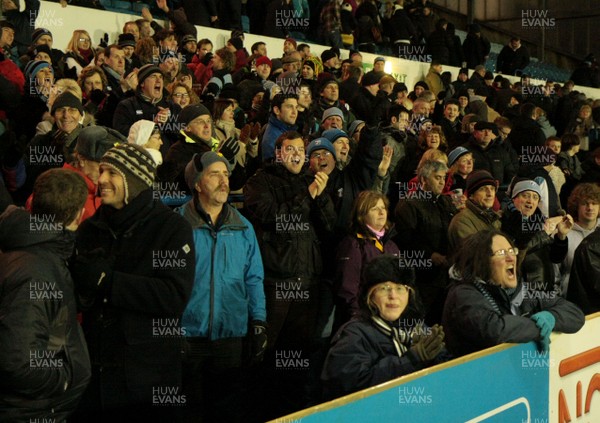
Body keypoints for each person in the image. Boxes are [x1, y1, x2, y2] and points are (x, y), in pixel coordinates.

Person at [71, 143, 195, 420]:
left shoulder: (170, 228)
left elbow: (173, 295)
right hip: (94, 374)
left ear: (135, 180)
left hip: (147, 379)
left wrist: (108, 282)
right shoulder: (91, 228)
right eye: (101, 171)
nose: (101, 179)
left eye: (112, 173)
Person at [244, 131, 336, 419]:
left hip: (308, 281)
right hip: (277, 282)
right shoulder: (260, 181)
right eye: (291, 148)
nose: (297, 154)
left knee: (296, 357)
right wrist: (307, 195)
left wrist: (320, 199)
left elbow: (330, 228)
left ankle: (292, 411)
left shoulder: (311, 184)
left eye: (301, 149)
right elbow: (276, 219)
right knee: (265, 355)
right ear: (278, 153)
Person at [178, 151, 266, 422]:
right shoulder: (177, 224)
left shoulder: (243, 227)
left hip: (230, 335)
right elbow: (164, 282)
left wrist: (259, 321)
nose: (223, 180)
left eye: (226, 174)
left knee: (227, 409)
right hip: (188, 335)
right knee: (189, 411)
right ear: (197, 183)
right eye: (214, 174)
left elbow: (253, 277)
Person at [0, 169, 91, 422]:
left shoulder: (33, 250)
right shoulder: (36, 270)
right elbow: (18, 361)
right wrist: (63, 380)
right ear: (78, 216)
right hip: (29, 411)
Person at [322, 254, 448, 400]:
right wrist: (412, 359)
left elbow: (446, 367)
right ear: (370, 296)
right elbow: (350, 388)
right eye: (384, 288)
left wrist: (433, 358)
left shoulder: (415, 326)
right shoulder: (354, 334)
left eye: (400, 288)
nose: (393, 295)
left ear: (409, 294)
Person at [442, 229, 585, 358]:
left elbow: (576, 315)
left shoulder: (520, 292)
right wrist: (538, 327)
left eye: (512, 251)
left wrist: (552, 317)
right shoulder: (463, 294)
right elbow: (495, 330)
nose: (511, 258)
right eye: (502, 253)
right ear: (481, 261)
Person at [394, 160, 457, 324]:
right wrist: (429, 255)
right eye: (437, 178)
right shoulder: (408, 204)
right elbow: (405, 241)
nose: (442, 182)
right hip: (422, 278)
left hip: (446, 275)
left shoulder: (446, 202)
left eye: (443, 178)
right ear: (423, 180)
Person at [335, 190, 400, 328]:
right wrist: (359, 318)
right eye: (374, 209)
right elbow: (348, 289)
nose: (381, 213)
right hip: (362, 320)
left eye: (383, 208)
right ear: (362, 215)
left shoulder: (391, 245)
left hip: (388, 316)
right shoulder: (353, 244)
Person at [501, 179, 573, 291]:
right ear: (514, 198)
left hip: (544, 288)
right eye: (525, 195)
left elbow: (556, 258)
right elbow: (518, 250)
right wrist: (545, 234)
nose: (530, 201)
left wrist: (561, 236)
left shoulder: (541, 222)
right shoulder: (505, 221)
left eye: (535, 197)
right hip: (519, 291)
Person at [556, 183, 600, 296]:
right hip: (573, 295)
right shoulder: (564, 234)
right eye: (585, 203)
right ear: (576, 206)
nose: (590, 208)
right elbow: (556, 273)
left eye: (594, 203)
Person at [448, 170, 502, 249]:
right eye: (483, 189)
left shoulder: (496, 220)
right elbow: (475, 256)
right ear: (471, 196)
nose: (490, 194)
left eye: (492, 188)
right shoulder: (462, 221)